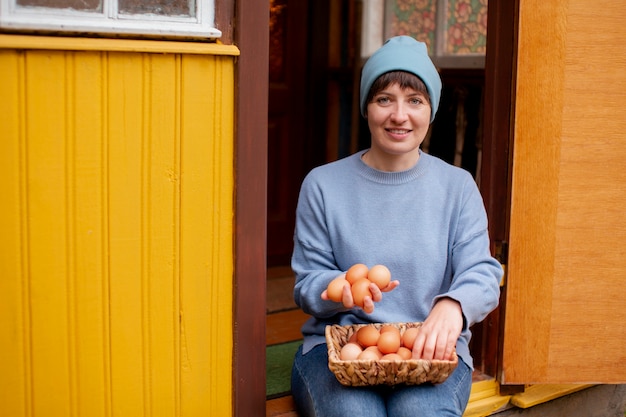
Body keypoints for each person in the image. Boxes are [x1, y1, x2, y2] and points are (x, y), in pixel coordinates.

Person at [289, 35, 503, 417]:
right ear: (367, 108)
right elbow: (307, 284)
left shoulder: (457, 187)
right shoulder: (322, 185)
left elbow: (483, 272)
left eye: (415, 101)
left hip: (431, 350)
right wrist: (339, 289)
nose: (399, 115)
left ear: (431, 110)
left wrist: (454, 306)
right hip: (335, 351)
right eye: (384, 98)